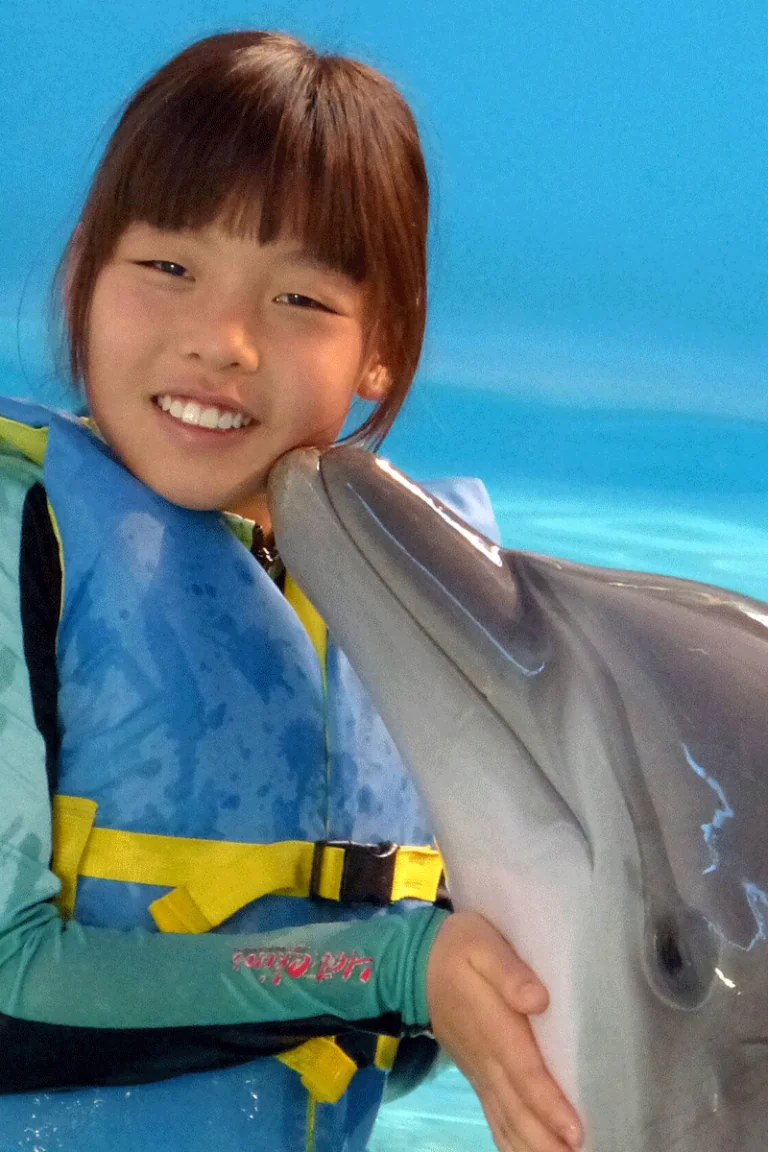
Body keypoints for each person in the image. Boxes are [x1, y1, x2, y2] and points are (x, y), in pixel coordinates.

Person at [0, 30, 583, 1152]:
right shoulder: (22, 532)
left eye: (301, 299)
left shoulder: (393, 605)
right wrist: (402, 970)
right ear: (84, 273)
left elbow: (393, 1037)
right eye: (168, 267)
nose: (221, 344)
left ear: (385, 344)